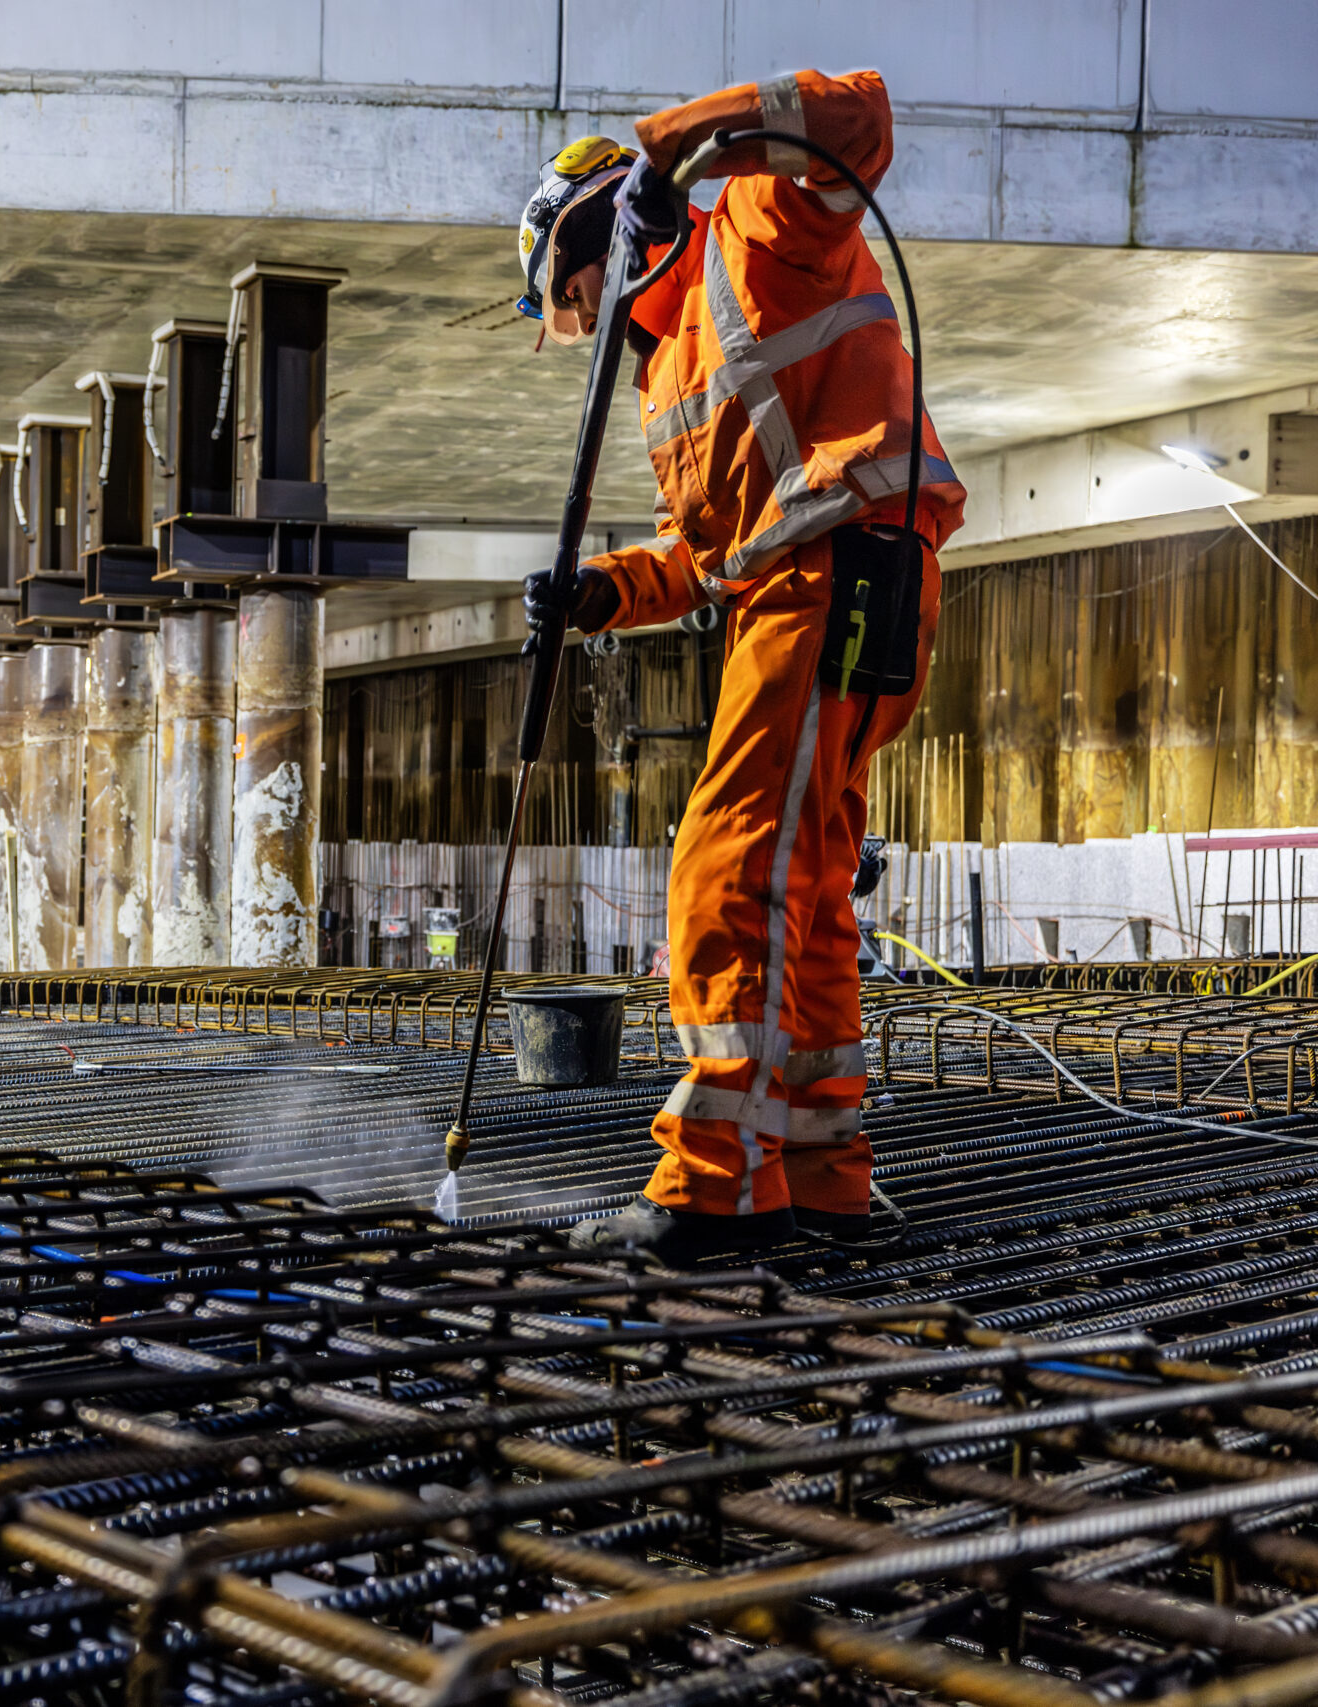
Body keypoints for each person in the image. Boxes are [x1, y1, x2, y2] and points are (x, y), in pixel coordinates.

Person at [513, 70, 967, 1263]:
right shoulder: (671, 373)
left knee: (721, 874)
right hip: (826, 583)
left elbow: (864, 113)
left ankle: (712, 1191)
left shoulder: (754, 229)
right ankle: (820, 1176)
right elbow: (709, 556)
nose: (585, 324)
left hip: (837, 575)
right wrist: (602, 591)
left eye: (571, 296)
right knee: (804, 892)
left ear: (600, 235)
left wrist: (671, 160)